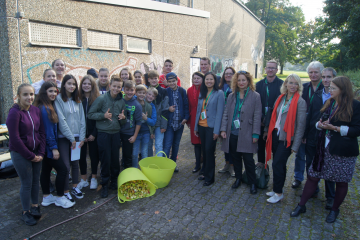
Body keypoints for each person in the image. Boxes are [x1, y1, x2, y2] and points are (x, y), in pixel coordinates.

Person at [290, 76, 360, 223]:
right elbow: (319, 121)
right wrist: (320, 125)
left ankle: (335, 209)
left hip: (343, 151)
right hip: (324, 148)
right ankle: (301, 205)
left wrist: (335, 128)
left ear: (343, 89)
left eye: (333, 88)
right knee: (313, 176)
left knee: (341, 181)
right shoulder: (331, 102)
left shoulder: (355, 105)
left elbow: (356, 130)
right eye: (330, 87)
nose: (330, 90)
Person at [6, 83, 46, 225]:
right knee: (26, 182)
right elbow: (15, 139)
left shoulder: (35, 110)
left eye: (31, 94)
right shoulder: (14, 113)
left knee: (36, 180)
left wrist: (41, 152)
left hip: (37, 152)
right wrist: (30, 156)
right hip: (21, 153)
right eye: (25, 94)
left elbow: (41, 132)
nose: (29, 97)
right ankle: (25, 211)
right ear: (18, 96)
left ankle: (35, 206)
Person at [264, 74, 306, 203]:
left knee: (277, 163)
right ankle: (277, 188)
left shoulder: (300, 102)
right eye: (290, 83)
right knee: (279, 165)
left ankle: (278, 193)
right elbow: (274, 116)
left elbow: (300, 126)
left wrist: (295, 145)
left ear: (298, 86)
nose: (293, 85)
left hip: (287, 139)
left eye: (295, 83)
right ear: (285, 84)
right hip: (276, 135)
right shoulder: (281, 98)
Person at [35, 82, 75, 209]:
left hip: (43, 148)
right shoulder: (46, 109)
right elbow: (47, 131)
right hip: (48, 147)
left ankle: (46, 197)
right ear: (44, 93)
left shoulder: (44, 106)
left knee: (46, 171)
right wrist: (54, 148)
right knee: (63, 170)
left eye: (55, 91)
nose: (53, 94)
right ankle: (59, 197)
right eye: (50, 91)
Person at [220, 71, 261, 193]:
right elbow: (226, 113)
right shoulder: (232, 96)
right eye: (239, 80)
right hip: (233, 132)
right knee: (236, 158)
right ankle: (238, 178)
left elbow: (257, 116)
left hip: (248, 133)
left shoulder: (255, 96)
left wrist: (255, 134)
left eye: (244, 80)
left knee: (248, 160)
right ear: (235, 82)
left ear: (248, 81)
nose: (241, 82)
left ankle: (252, 182)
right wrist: (223, 129)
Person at [303, 67, 337, 209]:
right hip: (313, 135)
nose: (325, 80)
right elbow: (309, 115)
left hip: (330, 137)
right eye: (324, 77)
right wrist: (305, 134)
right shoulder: (317, 94)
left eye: (328, 77)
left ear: (334, 78)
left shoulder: (338, 96)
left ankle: (331, 197)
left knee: (328, 167)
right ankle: (313, 190)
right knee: (310, 164)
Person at [88, 77, 126, 198]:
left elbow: (123, 121)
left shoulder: (122, 101)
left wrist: (123, 119)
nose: (116, 89)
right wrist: (103, 115)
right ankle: (104, 184)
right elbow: (90, 114)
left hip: (116, 134)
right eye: (114, 86)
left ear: (121, 88)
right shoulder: (101, 99)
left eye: (119, 87)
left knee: (115, 159)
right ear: (110, 86)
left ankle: (114, 182)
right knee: (105, 160)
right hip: (103, 134)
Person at [292, 61, 324, 189]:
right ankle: (298, 178)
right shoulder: (303, 88)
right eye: (310, 72)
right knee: (300, 154)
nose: (313, 74)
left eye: (316, 72)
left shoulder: (325, 89)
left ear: (321, 73)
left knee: (315, 156)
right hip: (302, 126)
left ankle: (313, 181)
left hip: (317, 127)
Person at [55, 75, 86, 203]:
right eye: (69, 84)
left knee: (75, 163)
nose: (72, 86)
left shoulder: (77, 100)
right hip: (64, 137)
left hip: (77, 137)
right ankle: (65, 191)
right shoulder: (59, 99)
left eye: (74, 84)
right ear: (64, 85)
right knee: (65, 165)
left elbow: (82, 119)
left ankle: (74, 187)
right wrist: (71, 137)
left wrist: (82, 137)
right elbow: (61, 120)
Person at [194, 72, 225, 186]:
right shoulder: (202, 92)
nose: (209, 81)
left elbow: (219, 113)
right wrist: (196, 127)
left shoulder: (219, 93)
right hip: (201, 126)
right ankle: (205, 173)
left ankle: (210, 177)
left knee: (209, 151)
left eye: (211, 79)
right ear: (204, 81)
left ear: (215, 81)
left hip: (211, 127)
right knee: (204, 151)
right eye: (207, 79)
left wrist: (217, 131)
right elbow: (198, 110)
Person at [255, 60, 283, 165]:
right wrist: (261, 118)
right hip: (261, 122)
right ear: (265, 69)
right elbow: (256, 104)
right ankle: (261, 172)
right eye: (268, 67)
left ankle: (275, 172)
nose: (270, 70)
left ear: (276, 70)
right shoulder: (258, 85)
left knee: (275, 149)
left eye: (273, 68)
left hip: (275, 123)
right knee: (260, 148)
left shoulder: (282, 85)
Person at [78, 75, 101, 190]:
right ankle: (83, 179)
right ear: (81, 85)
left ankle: (93, 177)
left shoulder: (97, 99)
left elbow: (99, 119)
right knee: (81, 157)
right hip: (80, 134)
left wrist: (93, 134)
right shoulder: (77, 99)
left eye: (89, 84)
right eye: (84, 83)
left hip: (93, 133)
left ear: (92, 86)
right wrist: (82, 136)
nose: (86, 86)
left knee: (93, 156)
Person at [163, 72, 189, 172]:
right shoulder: (165, 91)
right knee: (167, 144)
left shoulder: (182, 91)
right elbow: (162, 107)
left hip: (180, 123)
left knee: (176, 144)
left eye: (173, 81)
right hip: (170, 123)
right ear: (167, 82)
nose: (172, 83)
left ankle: (173, 164)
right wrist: (168, 109)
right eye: (169, 82)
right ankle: (165, 166)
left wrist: (186, 117)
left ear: (176, 81)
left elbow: (186, 105)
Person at [132, 85, 156, 167]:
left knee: (144, 153)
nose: (141, 95)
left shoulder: (149, 106)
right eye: (139, 93)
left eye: (143, 93)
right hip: (136, 132)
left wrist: (151, 132)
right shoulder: (133, 103)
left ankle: (144, 170)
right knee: (135, 153)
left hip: (146, 132)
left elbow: (153, 122)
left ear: (145, 94)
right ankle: (135, 170)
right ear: (136, 93)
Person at [218, 67, 236, 177]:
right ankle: (227, 164)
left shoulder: (236, 88)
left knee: (232, 144)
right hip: (221, 118)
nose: (228, 75)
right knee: (224, 143)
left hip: (232, 119)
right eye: (226, 73)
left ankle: (233, 166)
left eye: (230, 73)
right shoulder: (220, 87)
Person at [147, 70, 169, 157]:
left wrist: (164, 125)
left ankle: (159, 165)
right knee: (148, 145)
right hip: (148, 123)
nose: (153, 80)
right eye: (151, 78)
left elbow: (165, 109)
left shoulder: (163, 91)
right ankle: (149, 165)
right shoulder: (146, 90)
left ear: (158, 79)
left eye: (155, 78)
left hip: (160, 123)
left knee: (159, 145)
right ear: (148, 79)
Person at [120, 81, 142, 169]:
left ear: (135, 91)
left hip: (129, 133)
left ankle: (127, 174)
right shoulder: (120, 101)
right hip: (118, 131)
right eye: (127, 90)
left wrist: (135, 136)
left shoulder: (137, 105)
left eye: (131, 90)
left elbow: (139, 122)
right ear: (124, 89)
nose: (129, 92)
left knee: (127, 155)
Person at [187, 72, 204, 173]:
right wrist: (188, 121)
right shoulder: (189, 90)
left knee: (204, 143)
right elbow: (188, 105)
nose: (196, 80)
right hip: (193, 118)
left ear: (202, 79)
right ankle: (197, 165)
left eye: (198, 78)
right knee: (196, 143)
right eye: (194, 78)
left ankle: (205, 165)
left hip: (203, 118)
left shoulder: (205, 89)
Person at [145, 87, 158, 157]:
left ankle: (149, 162)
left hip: (148, 131)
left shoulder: (152, 107)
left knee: (149, 147)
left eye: (153, 96)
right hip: (138, 130)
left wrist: (146, 118)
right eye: (149, 94)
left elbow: (153, 122)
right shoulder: (138, 101)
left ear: (154, 98)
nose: (150, 97)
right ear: (146, 93)